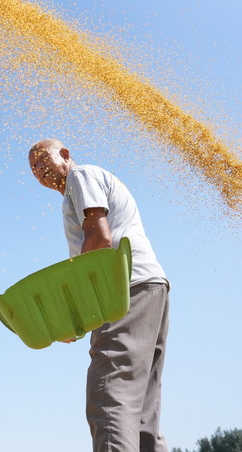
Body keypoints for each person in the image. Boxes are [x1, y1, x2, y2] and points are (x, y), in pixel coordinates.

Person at [28, 138, 170, 452]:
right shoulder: (82, 186)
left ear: (64, 155)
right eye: (33, 168)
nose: (38, 170)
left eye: (42, 160)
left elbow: (99, 238)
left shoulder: (80, 177)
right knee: (142, 408)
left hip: (123, 292)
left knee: (110, 394)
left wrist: (74, 312)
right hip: (151, 287)